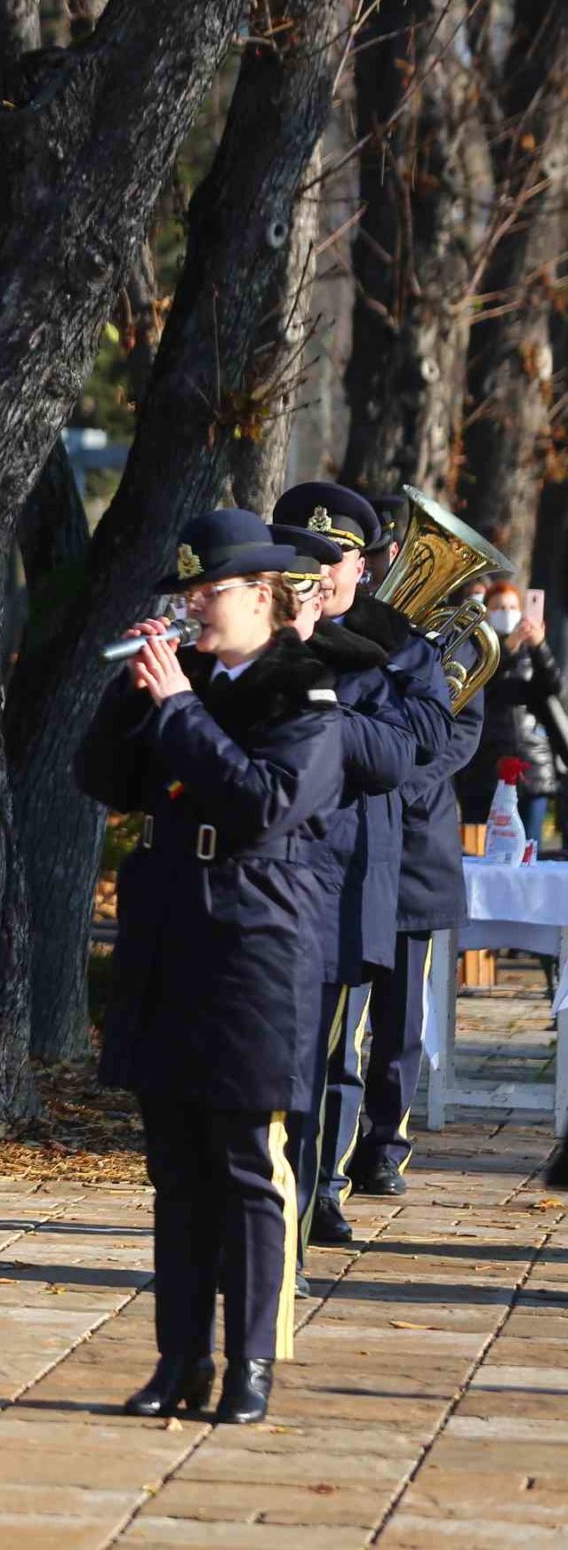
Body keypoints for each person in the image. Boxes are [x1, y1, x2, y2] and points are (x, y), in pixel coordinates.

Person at [78, 508, 342, 1428]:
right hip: (168, 931)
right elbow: (102, 779)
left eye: (211, 590)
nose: (195, 606)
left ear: (265, 596)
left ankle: (251, 1365)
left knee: (241, 1164)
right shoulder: (174, 681)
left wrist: (180, 709)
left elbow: (261, 803)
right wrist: (134, 692)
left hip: (255, 939)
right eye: (186, 590)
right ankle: (179, 1357)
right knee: (174, 1167)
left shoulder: (303, 690)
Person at [268, 483, 449, 1265]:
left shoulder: (400, 642)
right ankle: (269, 1209)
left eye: (334, 557)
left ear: (364, 563)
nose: (320, 570)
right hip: (264, 864)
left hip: (346, 868)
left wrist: (334, 714)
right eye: (303, 554)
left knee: (336, 1051)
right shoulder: (256, 622)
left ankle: (315, 1200)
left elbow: (426, 738)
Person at [355, 503, 482, 1202]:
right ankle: (336, 1142)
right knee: (346, 1015)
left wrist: (394, 779)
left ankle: (383, 1146)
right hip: (356, 845)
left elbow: (460, 736)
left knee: (401, 1019)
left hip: (416, 851)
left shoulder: (454, 637)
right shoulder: (351, 630)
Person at [457, 580, 563, 847]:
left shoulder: (533, 654)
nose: (507, 612)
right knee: (478, 850)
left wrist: (539, 647)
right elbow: (480, 686)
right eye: (499, 607)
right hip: (483, 769)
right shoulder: (475, 649)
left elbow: (553, 686)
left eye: (512, 607)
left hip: (531, 767)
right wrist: (509, 647)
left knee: (529, 850)